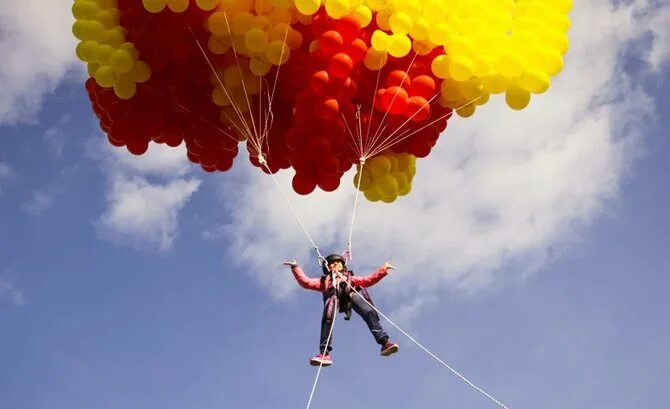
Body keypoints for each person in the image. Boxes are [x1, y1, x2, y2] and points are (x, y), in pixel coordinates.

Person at [284, 253, 399, 367]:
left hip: (350, 295)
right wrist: (295, 267)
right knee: (327, 321)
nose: (336, 264)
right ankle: (324, 353)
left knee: (368, 312)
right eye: (333, 263)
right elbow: (306, 282)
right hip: (333, 298)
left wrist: (383, 269)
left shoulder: (350, 278)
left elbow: (368, 280)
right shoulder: (324, 281)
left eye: (338, 263)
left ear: (343, 266)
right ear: (328, 267)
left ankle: (385, 342)